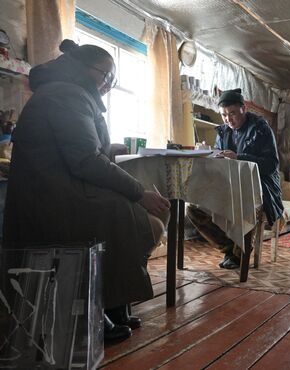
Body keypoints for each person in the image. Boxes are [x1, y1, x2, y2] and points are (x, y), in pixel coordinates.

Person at [3, 39, 170, 342]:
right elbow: (85, 161)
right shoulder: (66, 94)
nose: (108, 83)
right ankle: (98, 308)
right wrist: (138, 192)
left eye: (112, 78)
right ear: (81, 67)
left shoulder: (70, 92)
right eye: (105, 74)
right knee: (135, 214)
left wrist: (109, 151)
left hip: (58, 191)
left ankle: (115, 302)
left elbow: (80, 151)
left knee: (143, 213)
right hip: (50, 201)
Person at [187, 89, 283, 269]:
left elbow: (271, 165)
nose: (228, 119)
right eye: (223, 115)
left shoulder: (260, 128)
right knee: (193, 209)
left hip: (261, 187)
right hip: (228, 185)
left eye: (232, 113)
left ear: (243, 109)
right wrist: (210, 155)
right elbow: (220, 165)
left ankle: (240, 255)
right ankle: (230, 249)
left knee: (247, 204)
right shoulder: (223, 131)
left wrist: (239, 157)